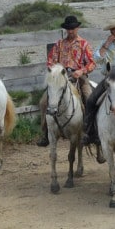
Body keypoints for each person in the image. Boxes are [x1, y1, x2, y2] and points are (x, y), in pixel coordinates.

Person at [37, 15, 95, 147]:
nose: (70, 31)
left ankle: (90, 130)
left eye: (73, 28)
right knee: (43, 102)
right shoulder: (59, 44)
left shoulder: (84, 44)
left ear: (77, 28)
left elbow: (92, 63)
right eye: (68, 29)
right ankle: (45, 133)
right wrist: (54, 70)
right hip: (60, 77)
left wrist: (81, 71)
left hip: (78, 76)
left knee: (89, 97)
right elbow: (50, 60)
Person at [81, 18, 115, 152]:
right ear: (112, 31)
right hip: (109, 79)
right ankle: (90, 132)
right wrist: (106, 44)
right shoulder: (105, 44)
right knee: (91, 100)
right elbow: (96, 59)